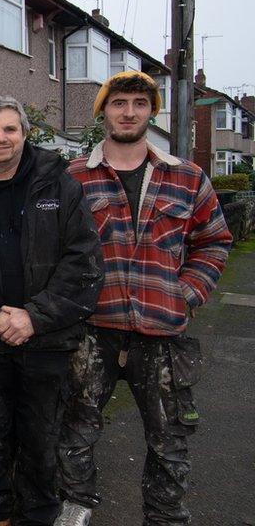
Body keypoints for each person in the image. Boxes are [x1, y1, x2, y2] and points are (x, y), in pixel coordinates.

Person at [55, 72, 232, 526]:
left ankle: (165, 518)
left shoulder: (187, 177)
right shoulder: (74, 177)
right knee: (75, 432)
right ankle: (75, 513)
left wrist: (187, 294)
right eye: (118, 103)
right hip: (93, 331)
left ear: (152, 111)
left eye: (138, 102)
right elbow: (51, 248)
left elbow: (213, 242)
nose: (128, 112)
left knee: (169, 441)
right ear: (103, 112)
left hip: (163, 332)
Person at [0, 96, 103, 526]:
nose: (1, 138)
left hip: (47, 337)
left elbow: (83, 262)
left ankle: (39, 513)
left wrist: (32, 317)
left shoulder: (62, 185)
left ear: (25, 134)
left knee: (42, 435)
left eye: (10, 129)